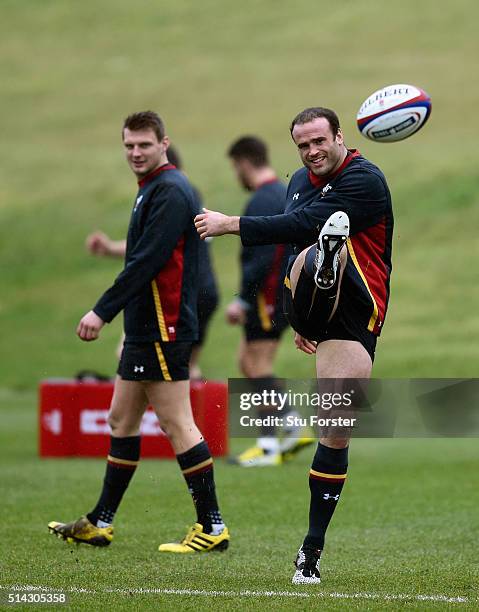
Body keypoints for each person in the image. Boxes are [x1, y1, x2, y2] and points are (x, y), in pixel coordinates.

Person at [195, 107, 393, 583]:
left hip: (360, 305)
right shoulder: (300, 181)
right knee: (307, 249)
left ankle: (312, 547)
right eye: (303, 146)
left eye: (320, 141)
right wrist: (295, 312)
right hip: (320, 305)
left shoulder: (366, 180)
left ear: (340, 136)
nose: (312, 152)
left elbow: (292, 225)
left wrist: (230, 224)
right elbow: (288, 243)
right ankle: (319, 271)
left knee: (336, 427)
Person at [48, 111, 229, 553]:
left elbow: (147, 262)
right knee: (120, 420)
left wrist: (102, 311)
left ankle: (212, 527)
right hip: (145, 327)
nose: (135, 152)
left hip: (163, 327)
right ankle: (99, 521)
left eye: (144, 145)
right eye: (128, 145)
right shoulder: (153, 188)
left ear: (164, 143)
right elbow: (144, 254)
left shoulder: (169, 189)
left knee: (177, 423)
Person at [86, 145, 219, 377]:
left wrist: (103, 309)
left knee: (130, 355)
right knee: (187, 368)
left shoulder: (170, 193)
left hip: (176, 295)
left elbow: (150, 250)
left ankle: (176, 413)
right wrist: (109, 249)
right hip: (205, 291)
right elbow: (156, 243)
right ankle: (195, 412)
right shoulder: (189, 193)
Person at [225, 136, 312, 467]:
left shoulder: (262, 199)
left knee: (257, 364)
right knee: (248, 361)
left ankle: (268, 445)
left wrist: (245, 301)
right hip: (280, 293)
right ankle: (291, 427)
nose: (237, 175)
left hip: (267, 296)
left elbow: (260, 258)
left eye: (236, 168)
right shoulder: (284, 192)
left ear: (245, 163)